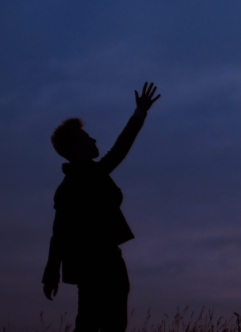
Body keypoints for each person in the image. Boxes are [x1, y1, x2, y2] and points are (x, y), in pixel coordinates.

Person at [42, 82, 161, 332]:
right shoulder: (77, 183)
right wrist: (51, 272)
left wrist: (140, 112)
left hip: (105, 264)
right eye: (86, 137)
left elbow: (58, 234)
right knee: (96, 325)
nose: (93, 138)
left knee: (102, 324)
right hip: (97, 267)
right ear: (76, 148)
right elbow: (59, 233)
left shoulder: (85, 177)